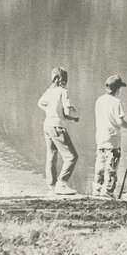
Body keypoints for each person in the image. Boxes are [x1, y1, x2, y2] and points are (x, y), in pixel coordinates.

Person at [93, 74, 127, 198]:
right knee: (111, 169)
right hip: (112, 141)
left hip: (100, 139)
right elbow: (120, 122)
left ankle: (97, 191)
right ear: (117, 89)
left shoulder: (99, 100)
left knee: (100, 167)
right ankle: (108, 193)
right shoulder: (116, 102)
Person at [37, 67, 80, 195]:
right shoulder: (63, 91)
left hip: (47, 125)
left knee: (52, 154)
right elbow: (67, 112)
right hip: (57, 126)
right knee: (72, 156)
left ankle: (52, 184)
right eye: (65, 79)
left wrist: (50, 111)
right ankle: (62, 183)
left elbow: (40, 103)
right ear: (61, 80)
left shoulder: (50, 91)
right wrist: (75, 117)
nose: (66, 82)